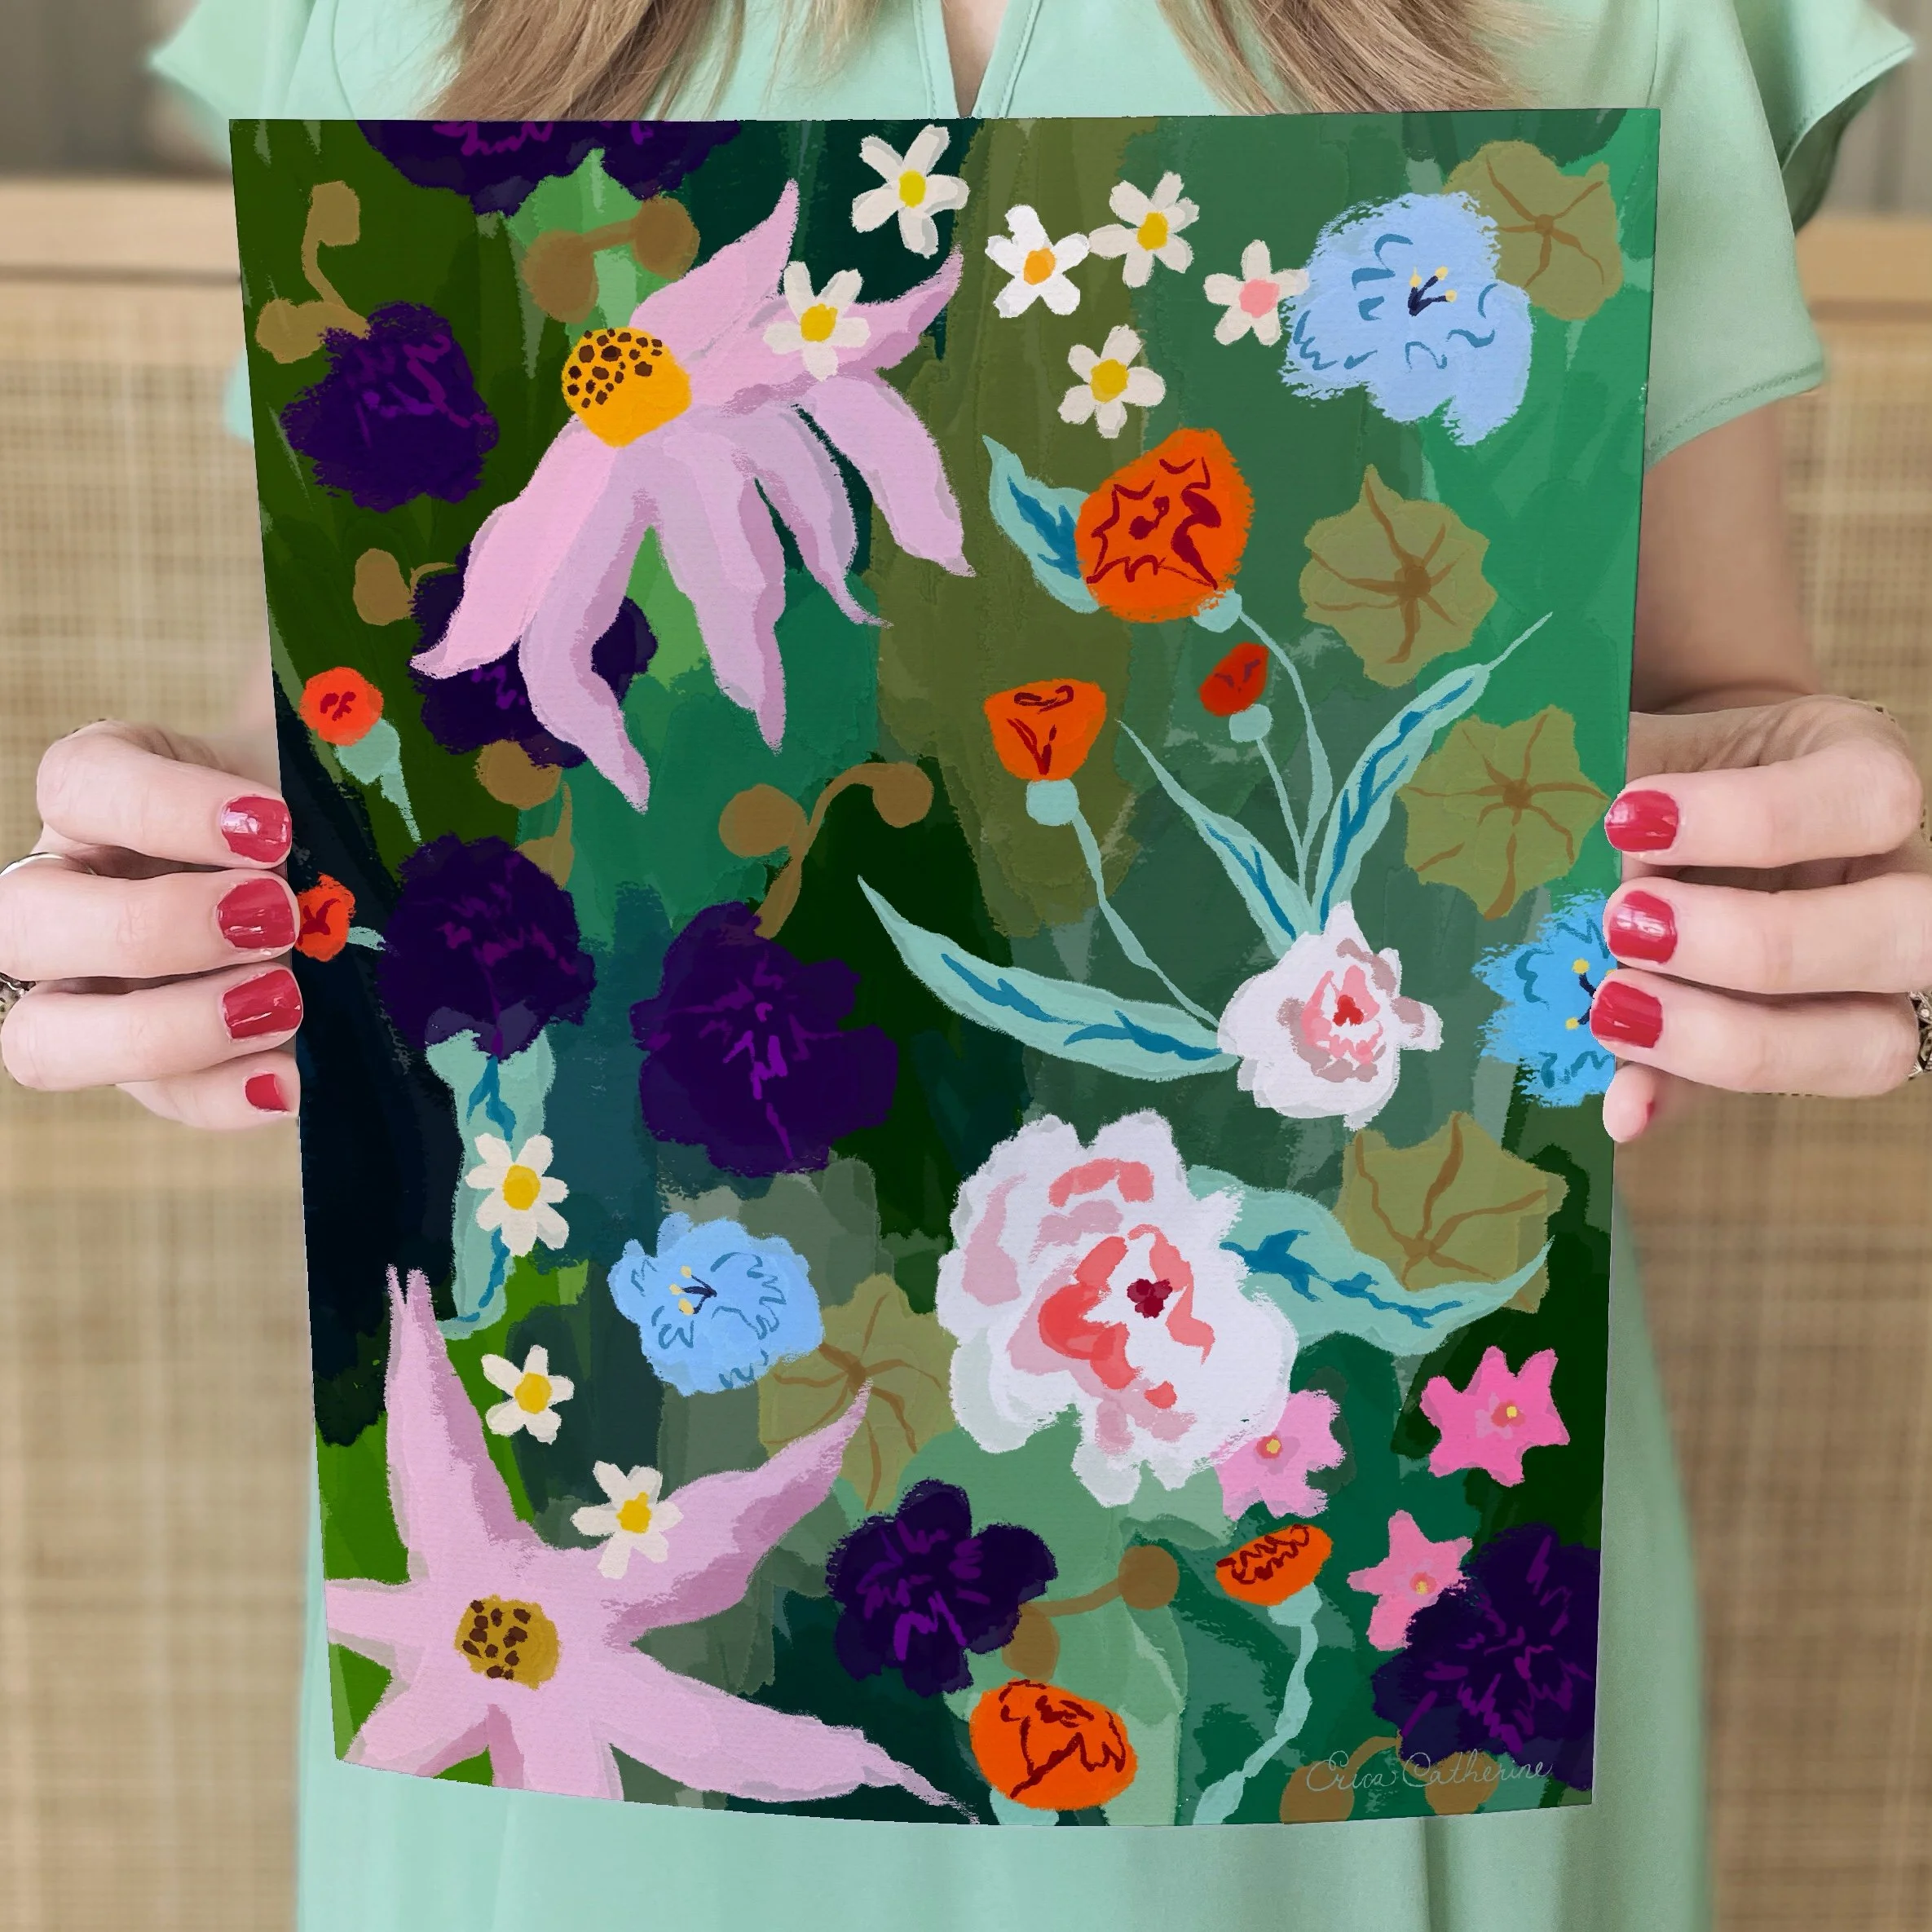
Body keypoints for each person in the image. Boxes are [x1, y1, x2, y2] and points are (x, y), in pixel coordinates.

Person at [0, 0, 1917, 1927]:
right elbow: (467, 721)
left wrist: (1812, 901)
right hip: (586, 1653)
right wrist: (231, 924)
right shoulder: (393, 17)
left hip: (1349, 1642)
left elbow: (1688, 734)